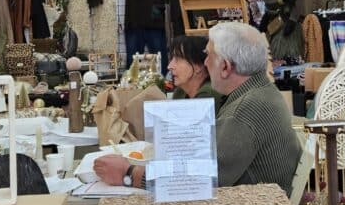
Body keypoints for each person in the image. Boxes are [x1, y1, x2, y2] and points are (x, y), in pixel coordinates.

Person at [95, 22, 301, 189]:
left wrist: (128, 173)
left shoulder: (244, 110)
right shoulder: (261, 92)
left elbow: (198, 182)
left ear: (226, 67)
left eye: (208, 55)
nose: (205, 62)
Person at [168, 35, 221, 108]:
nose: (170, 66)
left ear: (198, 66)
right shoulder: (180, 92)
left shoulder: (207, 95)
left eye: (178, 59)